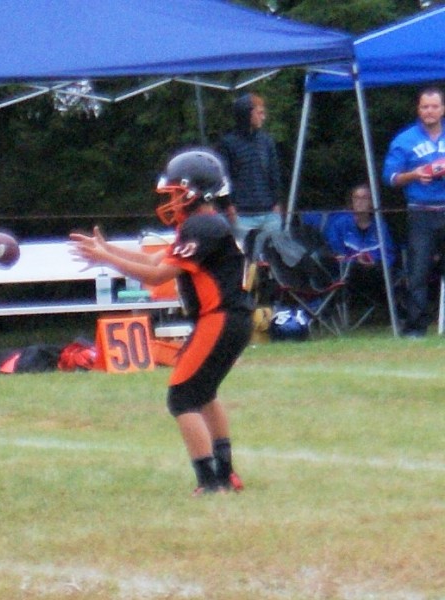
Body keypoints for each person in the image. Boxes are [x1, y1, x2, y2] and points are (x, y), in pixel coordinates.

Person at [69, 148, 252, 495]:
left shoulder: (203, 225)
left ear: (197, 192)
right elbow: (155, 259)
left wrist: (104, 257)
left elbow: (156, 276)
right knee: (204, 392)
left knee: (182, 398)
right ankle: (226, 474)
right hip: (229, 318)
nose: (172, 201)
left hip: (220, 318)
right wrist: (108, 249)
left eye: (176, 193)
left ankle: (210, 482)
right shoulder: (206, 225)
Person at [383, 87, 445, 337]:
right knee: (418, 273)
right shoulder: (404, 140)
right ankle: (415, 328)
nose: (429, 111)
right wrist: (416, 174)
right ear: (418, 110)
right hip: (421, 213)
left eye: (434, 106)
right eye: (424, 107)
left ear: (442, 109)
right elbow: (390, 177)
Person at [218, 93, 282, 261]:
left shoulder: (266, 141)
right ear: (247, 114)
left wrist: (276, 202)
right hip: (242, 214)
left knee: (276, 261)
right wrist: (229, 207)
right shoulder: (228, 143)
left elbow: (274, 173)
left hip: (269, 212)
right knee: (246, 262)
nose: (263, 117)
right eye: (259, 112)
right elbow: (222, 179)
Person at [323, 183, 397, 307]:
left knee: (387, 272)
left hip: (375, 270)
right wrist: (354, 259)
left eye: (364, 198)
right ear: (351, 201)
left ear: (372, 202)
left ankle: (393, 310)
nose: (360, 202)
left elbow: (389, 253)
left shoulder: (380, 226)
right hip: (348, 271)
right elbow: (334, 251)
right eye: (356, 198)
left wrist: (373, 260)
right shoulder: (339, 224)